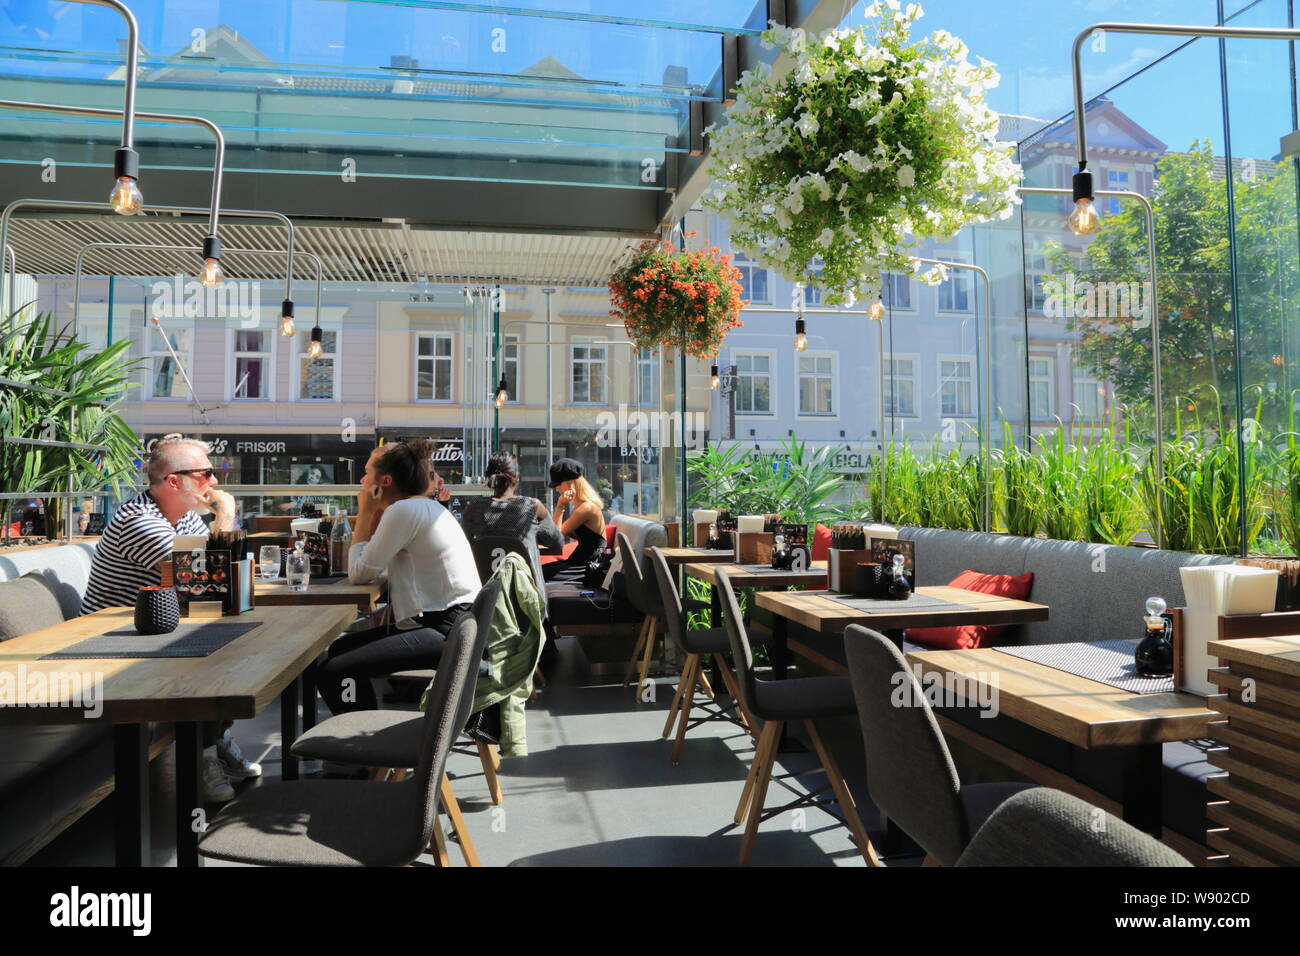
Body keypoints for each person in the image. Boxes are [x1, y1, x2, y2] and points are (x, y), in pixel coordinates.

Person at [80, 438, 260, 802]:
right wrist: (225, 515)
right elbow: (206, 577)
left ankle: (214, 738)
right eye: (206, 473)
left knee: (236, 644)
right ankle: (204, 753)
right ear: (174, 481)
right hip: (113, 641)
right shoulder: (139, 520)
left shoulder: (184, 516)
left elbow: (211, 584)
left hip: (160, 630)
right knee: (209, 656)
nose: (215, 480)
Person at [315, 439, 481, 715]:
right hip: (457, 624)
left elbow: (358, 574)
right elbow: (375, 566)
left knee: (333, 670)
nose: (362, 479)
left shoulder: (404, 511)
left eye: (367, 472)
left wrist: (366, 511)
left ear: (385, 480)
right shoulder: (424, 507)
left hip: (445, 630)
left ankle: (364, 748)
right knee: (341, 647)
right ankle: (363, 742)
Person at [460, 451, 563, 598]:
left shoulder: (474, 507)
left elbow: (464, 544)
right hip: (527, 597)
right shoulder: (532, 507)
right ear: (517, 478)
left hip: (486, 597)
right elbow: (557, 543)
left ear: (488, 477)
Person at [541, 458, 607, 583]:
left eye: (558, 484)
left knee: (539, 574)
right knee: (538, 571)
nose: (556, 489)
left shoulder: (586, 508)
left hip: (587, 568)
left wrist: (560, 505)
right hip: (580, 562)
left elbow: (555, 536)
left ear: (570, 483)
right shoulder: (583, 506)